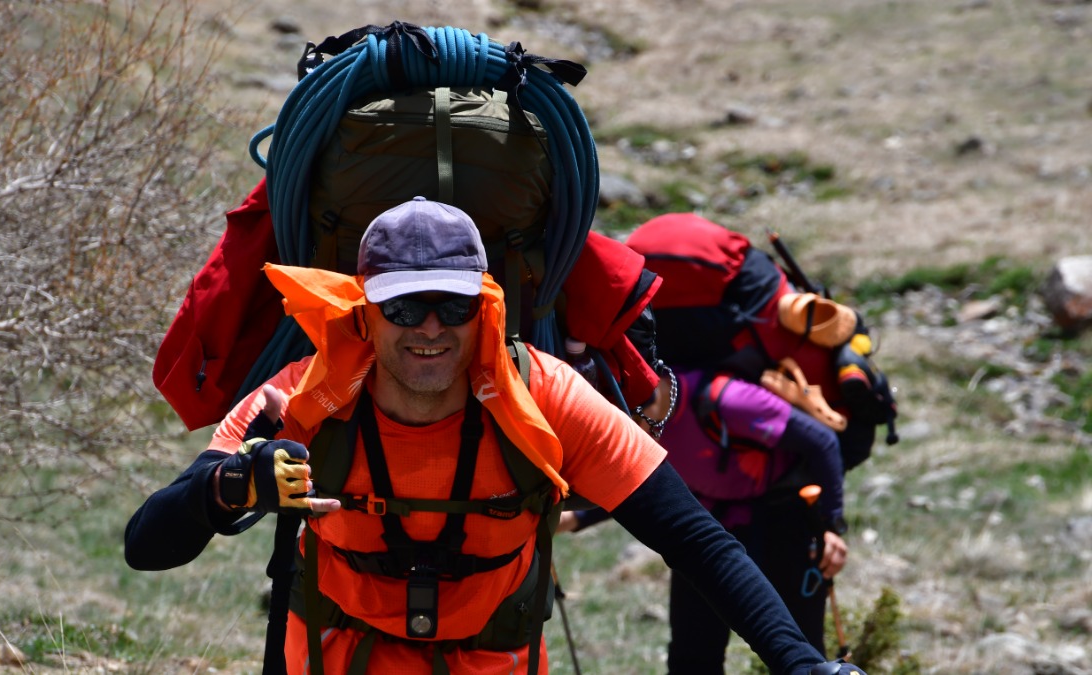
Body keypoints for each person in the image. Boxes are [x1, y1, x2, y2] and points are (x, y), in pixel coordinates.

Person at [124, 197, 865, 675]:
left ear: (485, 305)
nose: (431, 329)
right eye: (405, 307)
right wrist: (224, 490)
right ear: (363, 310)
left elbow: (693, 538)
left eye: (451, 304)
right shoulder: (302, 394)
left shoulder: (541, 395)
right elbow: (146, 543)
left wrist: (800, 663)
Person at [562, 367, 852, 673]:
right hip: (707, 526)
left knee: (802, 653)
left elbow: (823, 442)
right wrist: (577, 518)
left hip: (782, 522)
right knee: (692, 656)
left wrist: (831, 527)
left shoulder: (730, 402)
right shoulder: (644, 424)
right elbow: (642, 482)